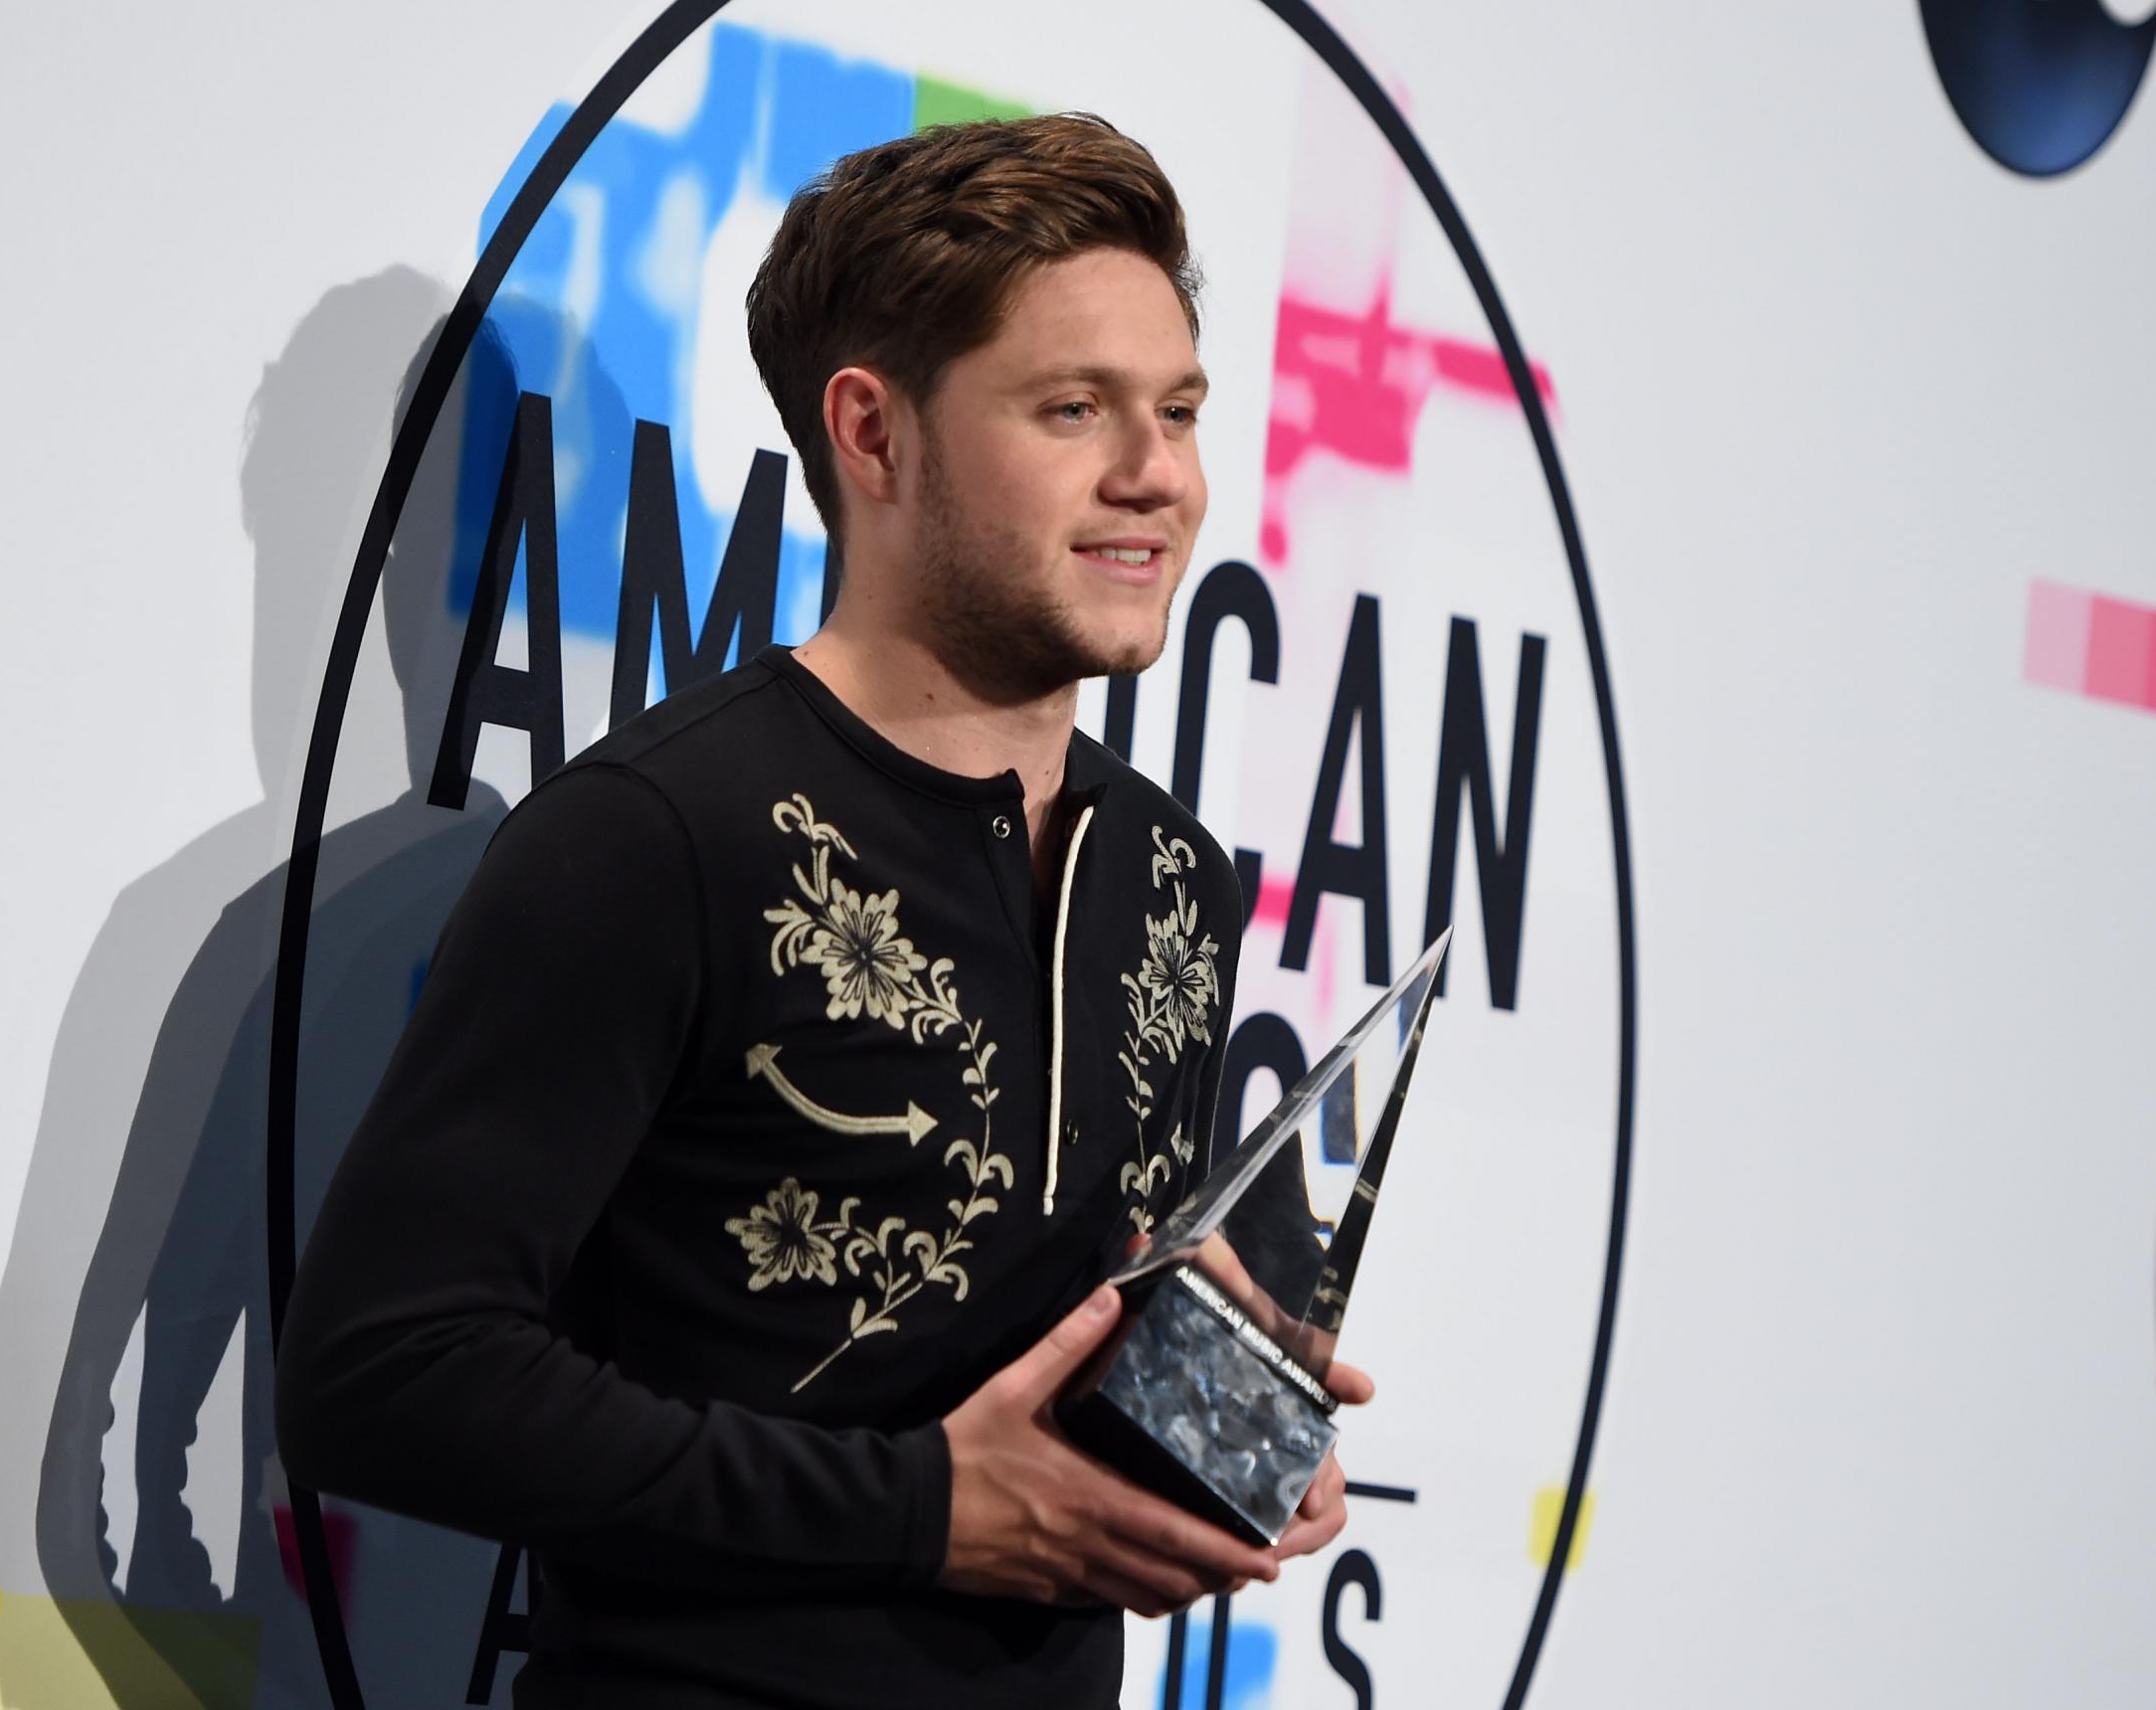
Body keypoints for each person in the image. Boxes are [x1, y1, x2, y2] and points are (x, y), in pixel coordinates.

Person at [275, 111, 1370, 1710]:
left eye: (1181, 411)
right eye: (1074, 410)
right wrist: (924, 1512)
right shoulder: (656, 837)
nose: (1158, 477)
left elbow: (1059, 1312)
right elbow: (384, 1373)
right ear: (873, 434)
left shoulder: (1173, 878)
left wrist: (1224, 1416)